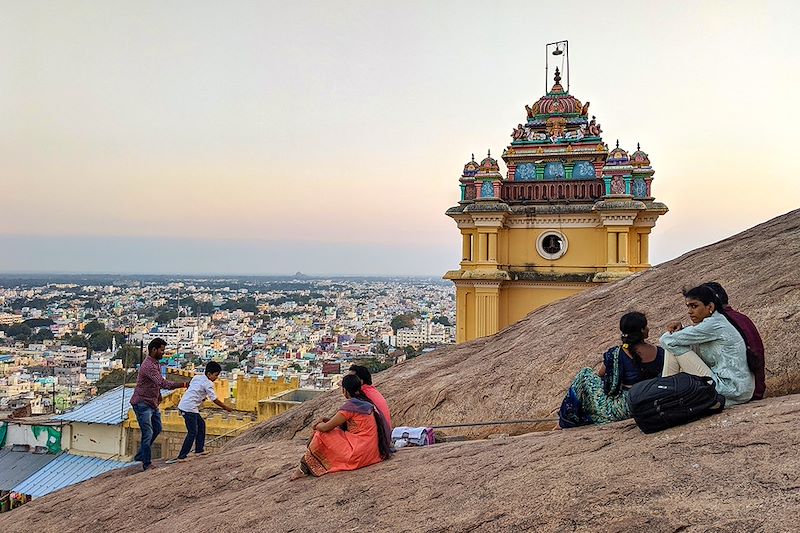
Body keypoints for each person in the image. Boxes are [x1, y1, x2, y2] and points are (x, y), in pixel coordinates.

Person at [559, 312, 664, 428]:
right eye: (646, 326)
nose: (648, 329)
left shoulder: (617, 353)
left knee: (584, 374)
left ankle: (566, 421)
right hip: (650, 402)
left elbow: (601, 375)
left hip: (626, 408)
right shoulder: (660, 352)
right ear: (642, 330)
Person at [660, 285, 755, 405]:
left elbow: (665, 341)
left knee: (673, 345)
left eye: (694, 306)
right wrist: (680, 332)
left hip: (731, 390)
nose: (690, 311)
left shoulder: (713, 325)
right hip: (737, 388)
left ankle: (664, 394)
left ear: (710, 306)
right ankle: (666, 393)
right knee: (676, 343)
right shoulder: (717, 321)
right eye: (688, 306)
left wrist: (672, 334)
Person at [290, 374, 392, 480]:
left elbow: (325, 428)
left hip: (359, 454)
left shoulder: (350, 407)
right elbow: (346, 424)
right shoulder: (365, 402)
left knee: (320, 434)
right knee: (334, 432)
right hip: (372, 453)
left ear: (345, 390)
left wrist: (318, 425)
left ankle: (304, 469)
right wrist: (328, 421)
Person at [130, 338, 188, 471]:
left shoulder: (155, 363)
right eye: (161, 350)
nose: (163, 353)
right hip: (142, 403)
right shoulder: (148, 366)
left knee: (157, 428)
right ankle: (146, 463)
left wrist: (158, 397)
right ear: (154, 349)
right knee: (148, 432)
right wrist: (184, 384)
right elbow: (163, 383)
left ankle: (141, 455)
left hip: (151, 403)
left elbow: (156, 385)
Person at [703, 282, 766, 400]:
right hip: (757, 388)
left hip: (741, 391)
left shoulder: (719, 323)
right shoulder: (741, 317)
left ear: (710, 304)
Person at [174, 361, 232, 461]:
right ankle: (182, 456)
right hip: (188, 408)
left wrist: (200, 397)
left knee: (201, 425)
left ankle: (199, 450)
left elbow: (193, 388)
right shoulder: (208, 383)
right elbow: (214, 399)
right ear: (209, 374)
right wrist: (226, 407)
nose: (216, 378)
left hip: (189, 406)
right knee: (192, 432)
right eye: (215, 375)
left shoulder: (197, 377)